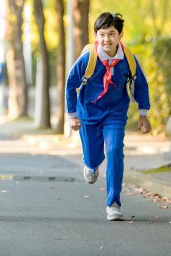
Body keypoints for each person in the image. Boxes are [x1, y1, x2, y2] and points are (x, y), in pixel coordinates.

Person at [65, 12, 151, 221]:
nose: (107, 39)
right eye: (102, 34)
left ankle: (113, 203)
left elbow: (140, 85)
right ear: (96, 35)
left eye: (111, 34)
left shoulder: (128, 59)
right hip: (88, 113)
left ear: (120, 35)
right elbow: (70, 84)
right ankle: (91, 164)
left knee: (114, 151)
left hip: (115, 112)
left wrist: (143, 114)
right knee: (93, 157)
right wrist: (71, 115)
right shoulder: (88, 58)